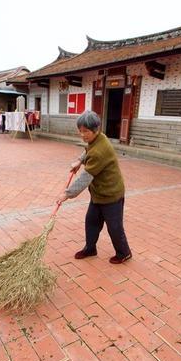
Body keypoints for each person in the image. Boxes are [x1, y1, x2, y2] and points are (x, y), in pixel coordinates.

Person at [57, 110, 132, 264]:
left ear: (95, 130)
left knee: (114, 227)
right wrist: (79, 160)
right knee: (91, 220)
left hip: (111, 194)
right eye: (80, 131)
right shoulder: (97, 139)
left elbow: (86, 177)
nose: (82, 135)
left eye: (86, 131)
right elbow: (87, 150)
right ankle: (90, 248)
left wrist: (67, 194)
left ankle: (124, 253)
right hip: (99, 193)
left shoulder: (100, 151)